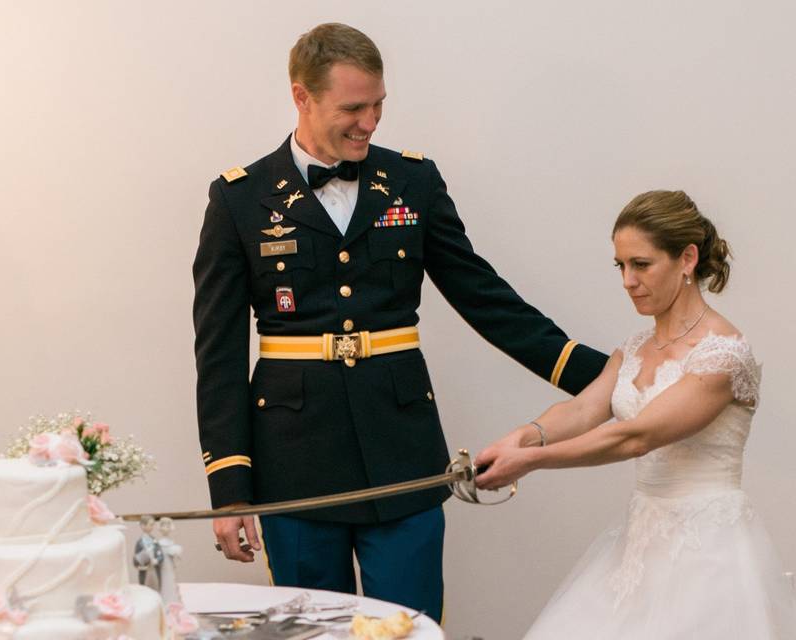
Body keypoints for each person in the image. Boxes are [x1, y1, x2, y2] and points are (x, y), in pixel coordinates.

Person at [192, 23, 608, 622]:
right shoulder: (240, 198)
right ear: (301, 97)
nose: (370, 122)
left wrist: (605, 379)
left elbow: (485, 297)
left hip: (402, 451)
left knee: (407, 626)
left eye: (379, 105)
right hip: (294, 463)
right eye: (353, 108)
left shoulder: (412, 181)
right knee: (311, 631)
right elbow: (220, 354)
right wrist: (230, 488)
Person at [475, 190, 796, 638]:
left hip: (709, 555)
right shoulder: (636, 347)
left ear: (687, 259)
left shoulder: (723, 354)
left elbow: (636, 436)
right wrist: (522, 438)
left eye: (641, 264)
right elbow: (583, 409)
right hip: (639, 545)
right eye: (620, 265)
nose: (627, 280)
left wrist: (531, 462)